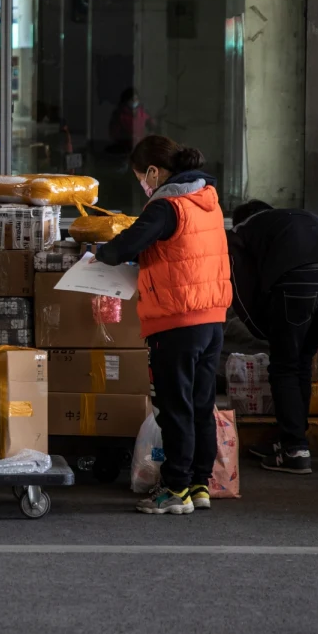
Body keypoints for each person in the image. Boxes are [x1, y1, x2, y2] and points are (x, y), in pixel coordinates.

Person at [96, 135, 231, 515]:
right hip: (212, 318)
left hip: (176, 321)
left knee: (175, 408)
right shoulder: (207, 200)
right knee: (201, 405)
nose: (143, 185)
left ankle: (174, 491)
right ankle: (199, 484)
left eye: (142, 177)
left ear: (153, 171)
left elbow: (121, 247)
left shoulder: (167, 206)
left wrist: (98, 253)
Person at [228, 200, 318, 475]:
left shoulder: (243, 228)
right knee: (303, 361)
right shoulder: (309, 217)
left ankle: (294, 448)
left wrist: (260, 327)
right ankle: (292, 439)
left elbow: (239, 282)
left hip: (297, 281)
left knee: (284, 365)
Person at [108, 87, 155, 153]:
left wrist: (149, 134)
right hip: (124, 148)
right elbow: (114, 134)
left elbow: (152, 126)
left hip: (140, 147)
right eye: (132, 100)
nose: (135, 102)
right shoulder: (120, 115)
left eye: (136, 99)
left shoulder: (142, 113)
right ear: (126, 101)